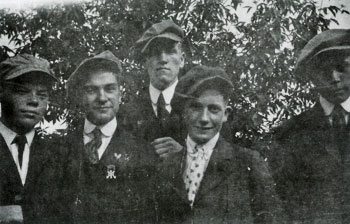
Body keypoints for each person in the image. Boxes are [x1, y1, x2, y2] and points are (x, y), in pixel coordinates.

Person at [157, 65, 284, 223]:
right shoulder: (167, 166)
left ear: (226, 114)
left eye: (214, 109)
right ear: (184, 112)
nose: (204, 118)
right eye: (195, 107)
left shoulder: (248, 163)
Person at [64, 50, 157, 224]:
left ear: (119, 94)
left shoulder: (143, 150)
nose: (102, 98)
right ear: (80, 95)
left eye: (109, 89)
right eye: (92, 90)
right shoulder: (59, 149)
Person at [271, 29, 350, 223]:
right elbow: (283, 203)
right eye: (324, 71)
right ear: (311, 78)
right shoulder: (290, 133)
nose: (334, 78)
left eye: (341, 67)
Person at [0, 54, 63, 223]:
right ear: (1, 92)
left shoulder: (60, 155)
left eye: (42, 95)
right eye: (22, 91)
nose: (34, 101)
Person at [120, 19, 186, 158]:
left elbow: (225, 165)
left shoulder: (201, 108)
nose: (163, 59)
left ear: (182, 60)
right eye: (156, 53)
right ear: (146, 62)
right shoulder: (124, 115)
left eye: (170, 51)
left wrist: (185, 156)